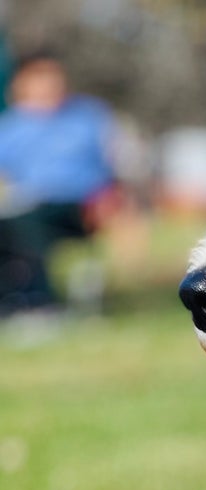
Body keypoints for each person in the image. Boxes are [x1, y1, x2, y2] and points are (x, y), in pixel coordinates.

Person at [0, 51, 116, 316]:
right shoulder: (11, 127)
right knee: (12, 221)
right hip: (28, 205)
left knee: (25, 220)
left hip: (77, 207)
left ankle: (41, 301)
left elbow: (111, 168)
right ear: (21, 84)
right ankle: (12, 300)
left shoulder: (87, 117)